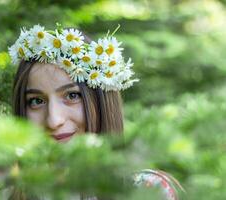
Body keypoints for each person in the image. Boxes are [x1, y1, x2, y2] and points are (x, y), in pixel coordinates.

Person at [10, 25, 183, 199]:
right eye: (36, 101)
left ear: (101, 101)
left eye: (72, 95)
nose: (54, 120)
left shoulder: (146, 191)